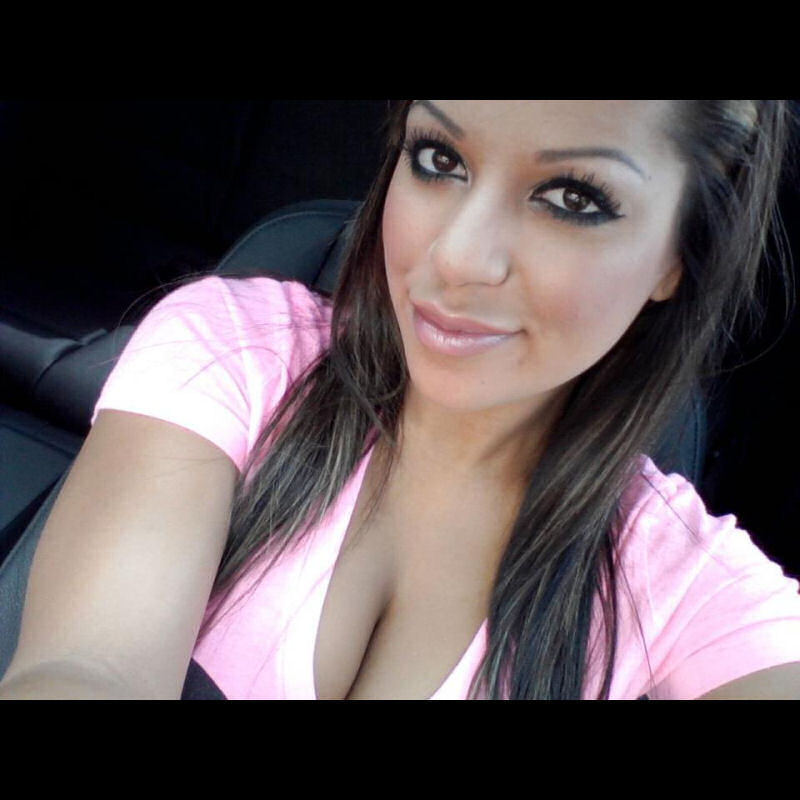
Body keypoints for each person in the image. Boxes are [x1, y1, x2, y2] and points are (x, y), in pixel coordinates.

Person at [2, 100, 800, 700]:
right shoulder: (237, 353)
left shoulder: (693, 595)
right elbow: (88, 669)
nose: (457, 257)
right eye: (438, 158)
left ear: (678, 252)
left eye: (572, 199)